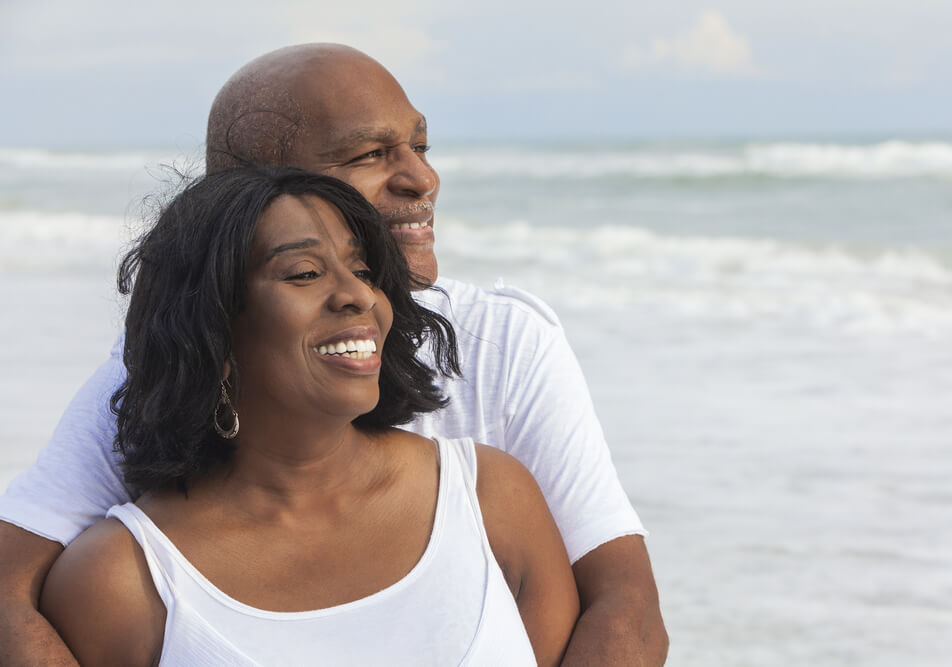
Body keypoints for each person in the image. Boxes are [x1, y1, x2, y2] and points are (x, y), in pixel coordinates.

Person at [0, 44, 668, 665]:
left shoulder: (502, 354)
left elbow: (627, 609)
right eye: (370, 156)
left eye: (421, 145)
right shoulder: (157, 380)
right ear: (246, 193)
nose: (422, 176)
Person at [38, 166, 580, 665]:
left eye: (363, 268)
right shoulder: (124, 581)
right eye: (303, 273)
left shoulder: (490, 499)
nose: (356, 295)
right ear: (214, 330)